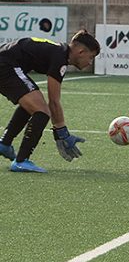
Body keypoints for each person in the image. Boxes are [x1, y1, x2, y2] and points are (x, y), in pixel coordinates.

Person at [0, 30, 100, 172]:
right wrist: (62, 133)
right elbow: (53, 101)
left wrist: (59, 130)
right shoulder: (60, 57)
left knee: (32, 104)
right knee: (42, 111)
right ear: (81, 51)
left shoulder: (60, 53)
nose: (90, 62)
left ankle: (5, 144)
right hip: (6, 65)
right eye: (91, 57)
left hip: (6, 63)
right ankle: (21, 161)